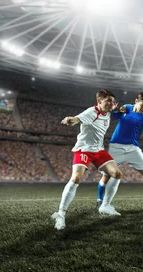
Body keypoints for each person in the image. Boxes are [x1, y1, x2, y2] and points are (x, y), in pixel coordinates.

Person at [51, 89, 123, 230]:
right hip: (84, 149)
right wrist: (70, 120)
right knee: (76, 178)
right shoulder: (91, 112)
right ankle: (61, 214)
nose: (111, 103)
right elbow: (77, 119)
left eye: (113, 101)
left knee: (117, 174)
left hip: (99, 150)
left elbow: (115, 111)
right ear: (99, 101)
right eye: (108, 100)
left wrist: (119, 108)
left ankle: (105, 206)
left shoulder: (108, 113)